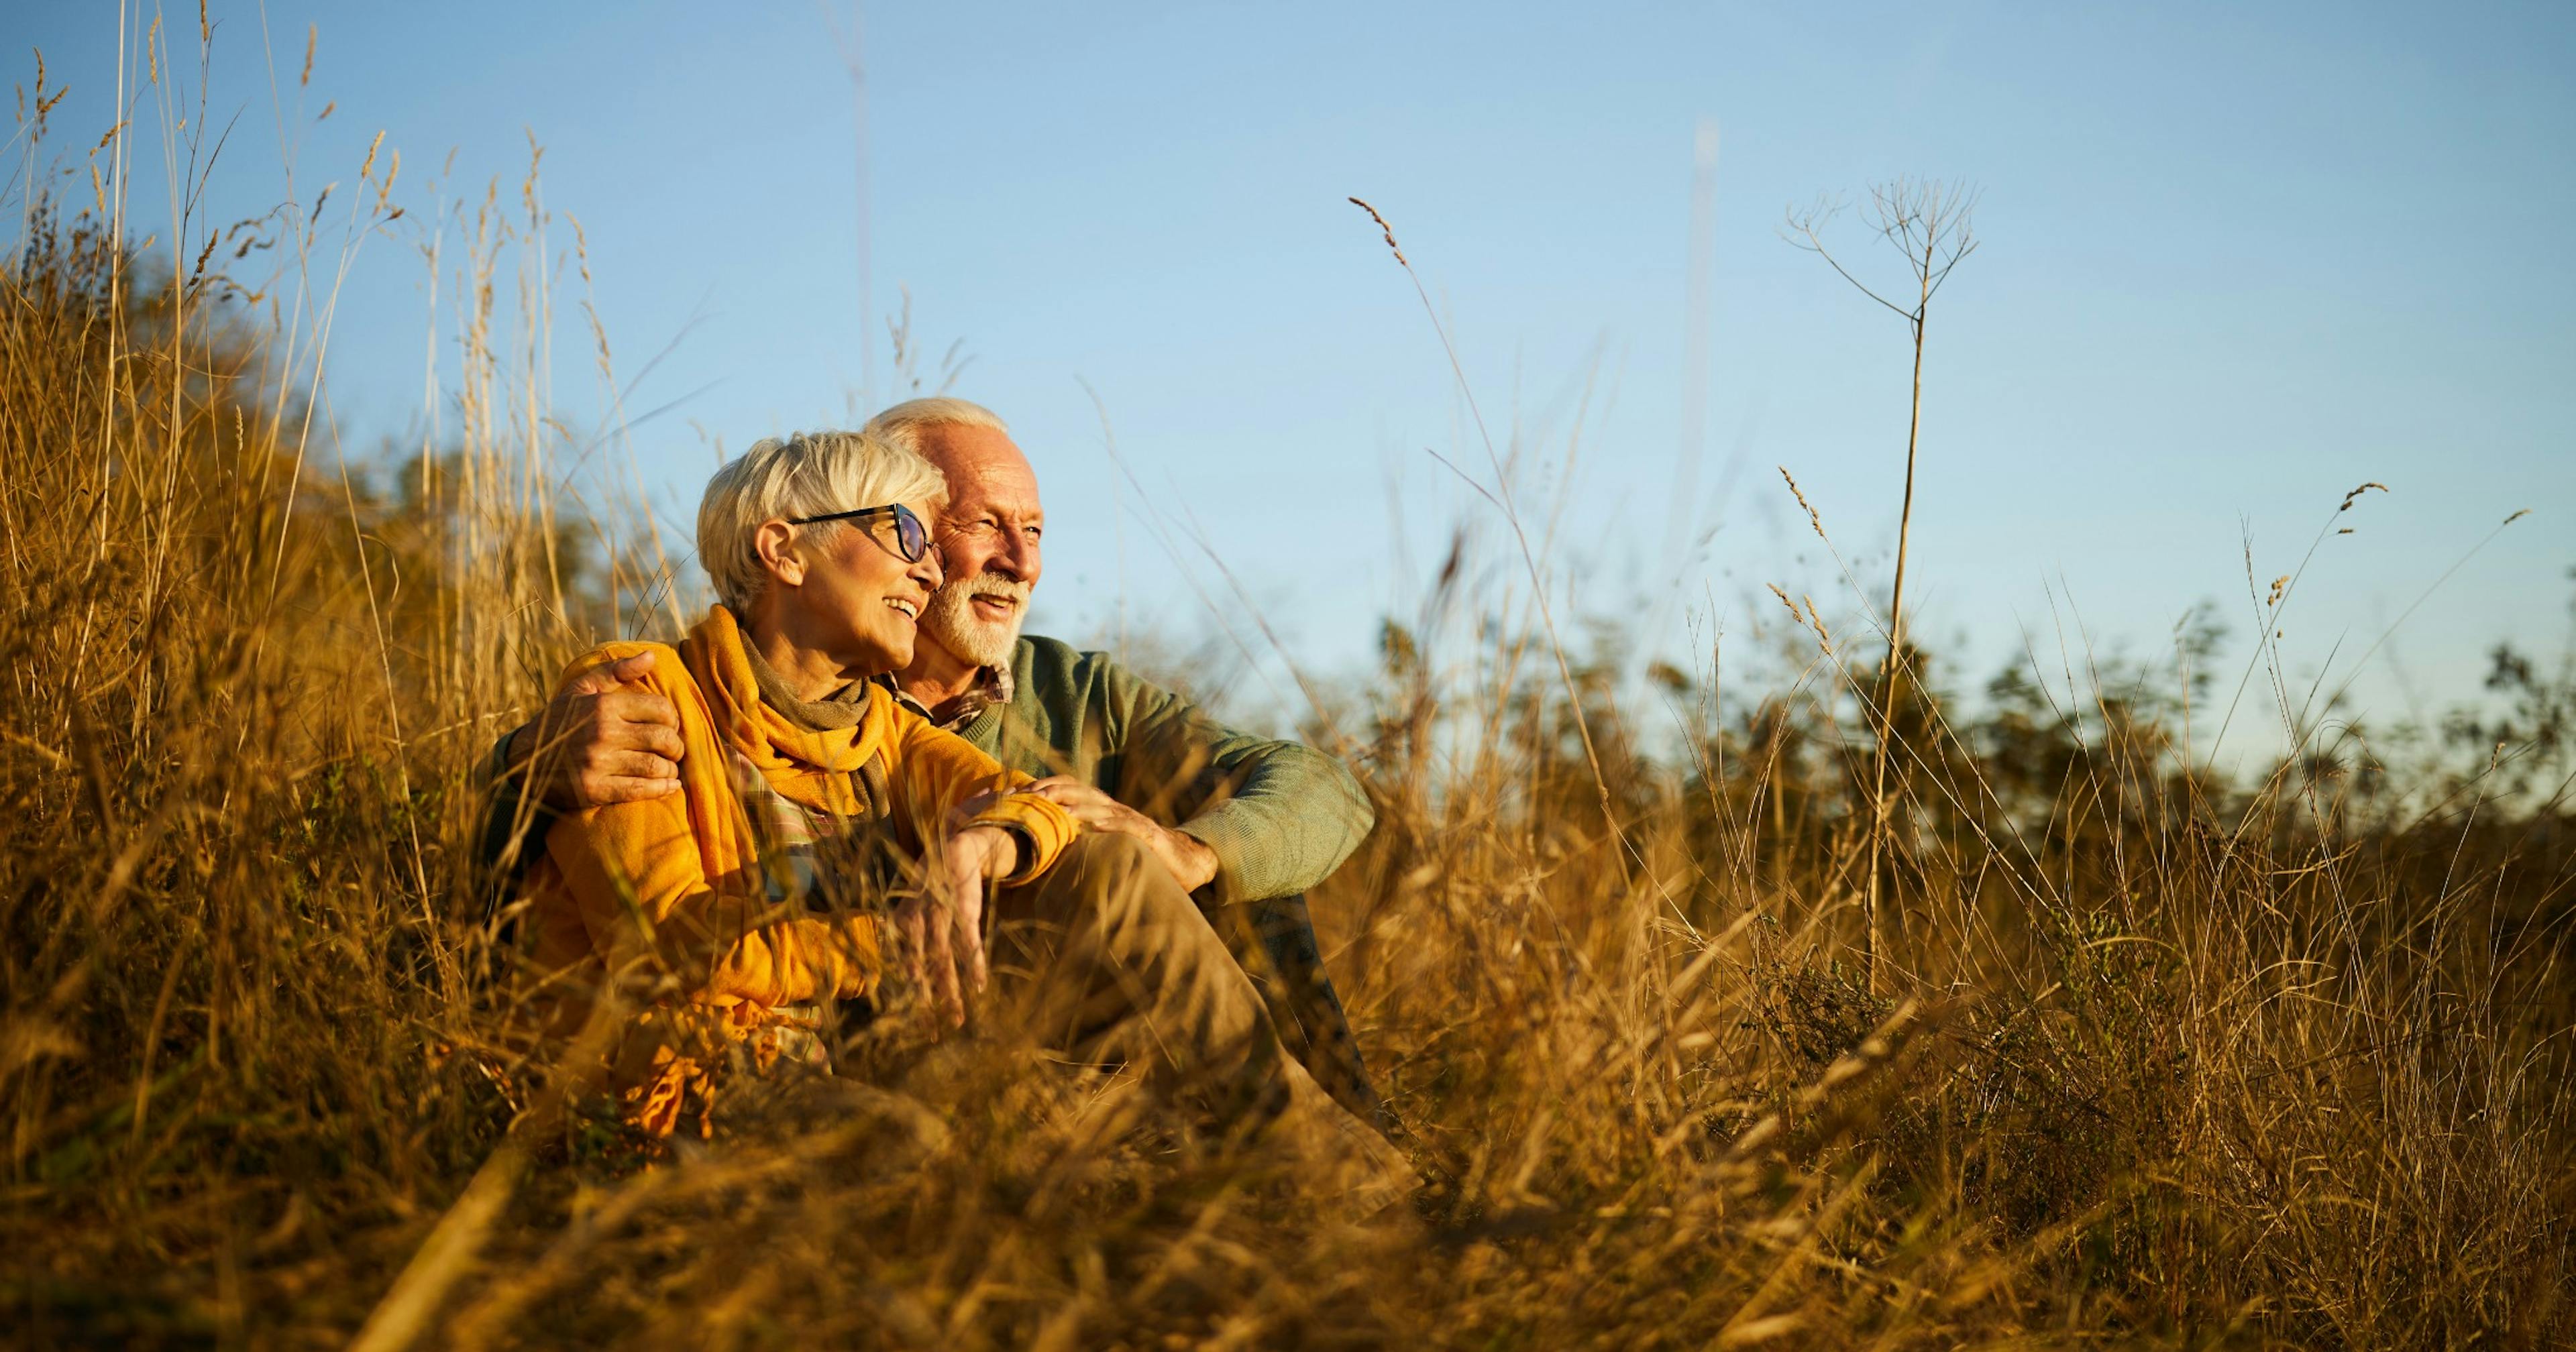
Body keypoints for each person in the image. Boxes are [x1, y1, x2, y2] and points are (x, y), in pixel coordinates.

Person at [508, 428, 1394, 1190]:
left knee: (1115, 867)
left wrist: (986, 847)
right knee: (930, 1145)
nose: (927, 570)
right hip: (692, 1094)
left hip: (885, 1046)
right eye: (910, 533)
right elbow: (676, 969)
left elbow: (1035, 804)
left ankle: (1330, 1162)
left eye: (1031, 530)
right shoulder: (639, 695)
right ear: (784, 550)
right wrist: (897, 939)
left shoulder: (895, 723)